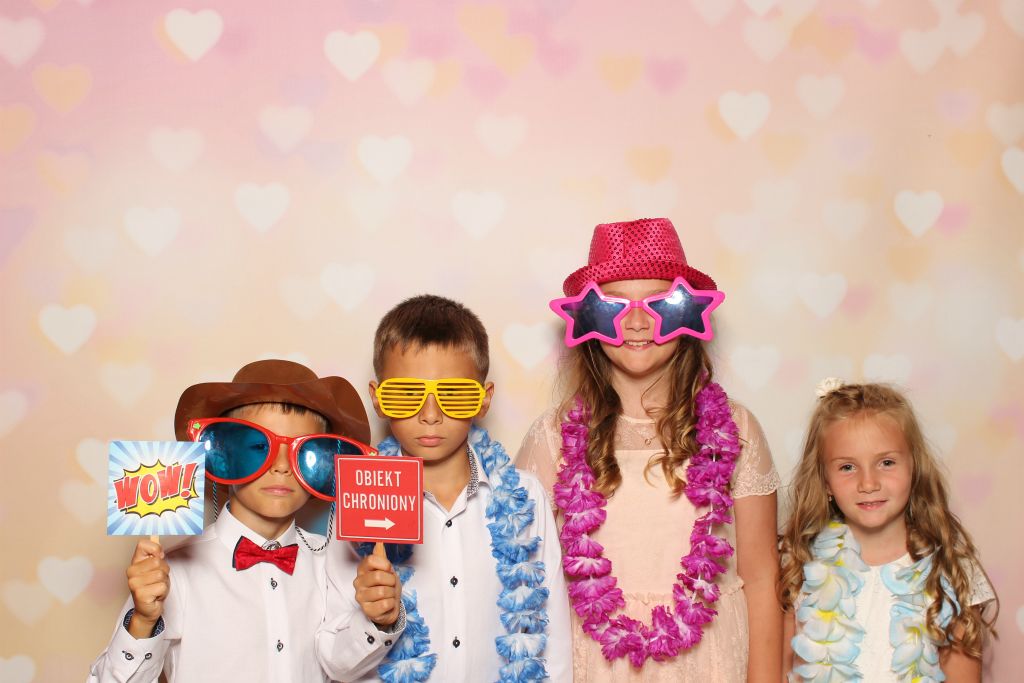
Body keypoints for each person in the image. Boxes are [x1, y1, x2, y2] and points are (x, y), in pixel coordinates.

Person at [517, 218, 782, 681]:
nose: (638, 323)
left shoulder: (735, 429)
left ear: (690, 313)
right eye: (614, 307)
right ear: (587, 319)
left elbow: (761, 578)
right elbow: (522, 573)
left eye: (660, 304)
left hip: (709, 661)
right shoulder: (553, 435)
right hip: (594, 662)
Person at [316, 294, 572, 682]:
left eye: (454, 394)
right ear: (378, 400)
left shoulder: (526, 497)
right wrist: (375, 622)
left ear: (483, 400)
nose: (431, 415)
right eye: (406, 395)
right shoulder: (357, 499)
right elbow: (334, 664)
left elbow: (553, 646)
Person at [89, 359, 373, 682]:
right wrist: (142, 620)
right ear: (223, 454)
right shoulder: (172, 571)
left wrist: (378, 620)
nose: (281, 466)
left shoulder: (332, 563)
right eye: (258, 447)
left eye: (304, 451)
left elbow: (345, 664)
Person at [780, 379, 998, 682]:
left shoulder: (949, 569)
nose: (868, 483)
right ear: (825, 482)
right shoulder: (802, 564)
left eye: (886, 462)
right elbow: (783, 672)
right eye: (847, 467)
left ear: (914, 467)